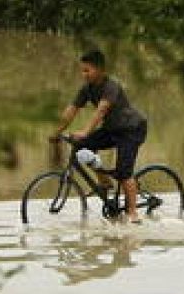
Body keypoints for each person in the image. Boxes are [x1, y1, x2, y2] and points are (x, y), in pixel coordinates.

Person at [51, 48, 150, 223]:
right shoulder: (87, 89)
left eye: (87, 70)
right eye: (82, 70)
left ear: (100, 70)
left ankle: (133, 213)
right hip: (112, 130)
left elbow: (101, 111)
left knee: (124, 173)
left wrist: (85, 132)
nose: (83, 74)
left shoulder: (111, 86)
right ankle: (105, 183)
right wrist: (56, 132)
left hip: (131, 130)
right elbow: (71, 110)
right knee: (82, 145)